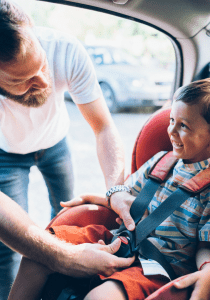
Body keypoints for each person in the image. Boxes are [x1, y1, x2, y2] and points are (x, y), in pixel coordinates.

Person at [8, 77, 210, 300]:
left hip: (158, 267)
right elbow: (126, 197)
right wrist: (99, 198)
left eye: (184, 126)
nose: (171, 132)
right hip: (120, 239)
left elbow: (206, 243)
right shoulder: (161, 160)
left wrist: (209, 271)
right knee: (38, 254)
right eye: (171, 121)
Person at [0, 0, 132, 298]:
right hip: (5, 154)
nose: (44, 81)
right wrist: (65, 258)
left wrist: (116, 191)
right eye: (24, 80)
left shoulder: (65, 49)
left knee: (61, 219)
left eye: (42, 65)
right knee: (8, 246)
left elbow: (104, 128)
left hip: (56, 144)